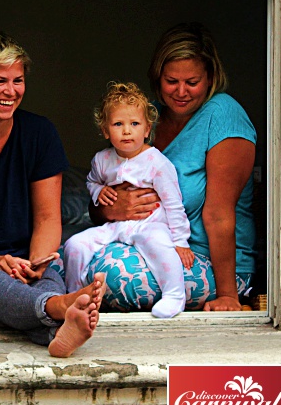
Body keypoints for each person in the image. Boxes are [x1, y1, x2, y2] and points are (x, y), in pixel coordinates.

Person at [0, 31, 106, 358]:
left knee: (49, 279)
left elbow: (47, 217)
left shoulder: (39, 133)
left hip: (24, 258)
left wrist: (37, 263)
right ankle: (58, 311)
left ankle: (58, 326)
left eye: (18, 80)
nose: (10, 91)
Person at [89, 22, 257, 312]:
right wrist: (110, 207)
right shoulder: (146, 117)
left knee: (113, 279)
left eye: (192, 82)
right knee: (70, 256)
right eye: (171, 81)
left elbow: (218, 214)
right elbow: (100, 197)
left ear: (210, 77)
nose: (181, 92)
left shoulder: (223, 114)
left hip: (202, 259)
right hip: (141, 240)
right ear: (157, 76)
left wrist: (228, 296)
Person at [63, 82, 193, 319]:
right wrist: (98, 191)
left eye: (134, 124)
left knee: (158, 244)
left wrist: (181, 241)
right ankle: (74, 296)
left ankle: (175, 295)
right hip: (115, 225)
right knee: (74, 245)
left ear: (147, 129)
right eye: (117, 124)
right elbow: (92, 181)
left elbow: (174, 203)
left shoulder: (157, 163)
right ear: (105, 130)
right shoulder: (102, 159)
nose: (126, 131)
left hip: (149, 223)